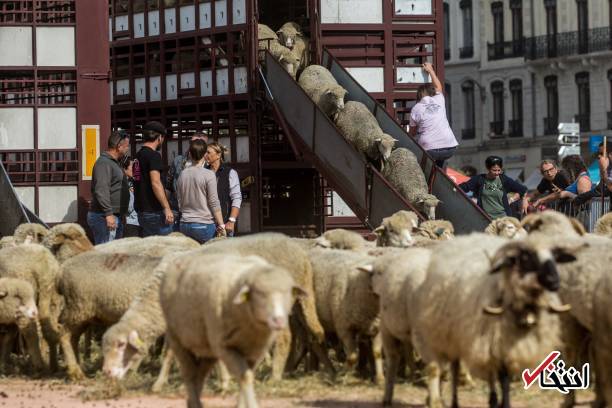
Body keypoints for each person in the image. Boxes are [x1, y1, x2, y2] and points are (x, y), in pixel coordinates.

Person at [408, 62, 458, 169]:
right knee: (440, 161)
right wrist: (430, 70)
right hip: (450, 147)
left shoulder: (416, 108)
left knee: (419, 158)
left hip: (430, 150)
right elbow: (438, 86)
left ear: (419, 95)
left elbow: (411, 134)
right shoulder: (439, 99)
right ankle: (439, 174)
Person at [177, 139, 226, 243]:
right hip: (204, 224)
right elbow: (214, 202)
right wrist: (221, 225)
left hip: (184, 224)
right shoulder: (209, 174)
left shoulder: (182, 174)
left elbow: (179, 200)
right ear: (204, 154)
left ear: (190, 154)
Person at [87, 131, 130, 244]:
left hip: (115, 215)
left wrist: (121, 213)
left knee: (114, 255)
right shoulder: (104, 163)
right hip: (103, 216)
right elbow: (101, 190)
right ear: (118, 146)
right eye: (126, 146)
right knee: (105, 255)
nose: (128, 149)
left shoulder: (114, 163)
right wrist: (109, 214)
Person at [133, 121, 174, 237]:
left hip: (141, 211)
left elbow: (136, 178)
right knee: (165, 248)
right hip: (154, 211)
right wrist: (166, 208)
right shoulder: (154, 155)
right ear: (159, 137)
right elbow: (156, 183)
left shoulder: (137, 155)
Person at [459, 155, 529, 220]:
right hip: (485, 219)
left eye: (499, 170)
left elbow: (523, 189)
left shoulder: (504, 179)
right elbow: (462, 188)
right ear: (488, 168)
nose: (497, 173)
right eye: (494, 170)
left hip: (503, 219)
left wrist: (513, 200)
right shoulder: (479, 179)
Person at [165, 133, 209, 229]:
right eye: (191, 142)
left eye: (198, 142)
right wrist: (166, 208)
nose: (193, 144)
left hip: (199, 214)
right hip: (176, 210)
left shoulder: (208, 165)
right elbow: (168, 185)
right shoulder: (178, 160)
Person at [205, 141, 242, 237]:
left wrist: (231, 221)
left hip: (225, 224)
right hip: (206, 224)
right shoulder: (203, 172)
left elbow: (236, 198)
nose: (205, 155)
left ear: (218, 155)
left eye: (208, 152)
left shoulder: (230, 173)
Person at [122, 157, 142, 237]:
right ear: (124, 168)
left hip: (136, 222)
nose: (135, 169)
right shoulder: (123, 184)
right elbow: (128, 208)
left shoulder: (132, 182)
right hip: (130, 222)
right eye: (132, 166)